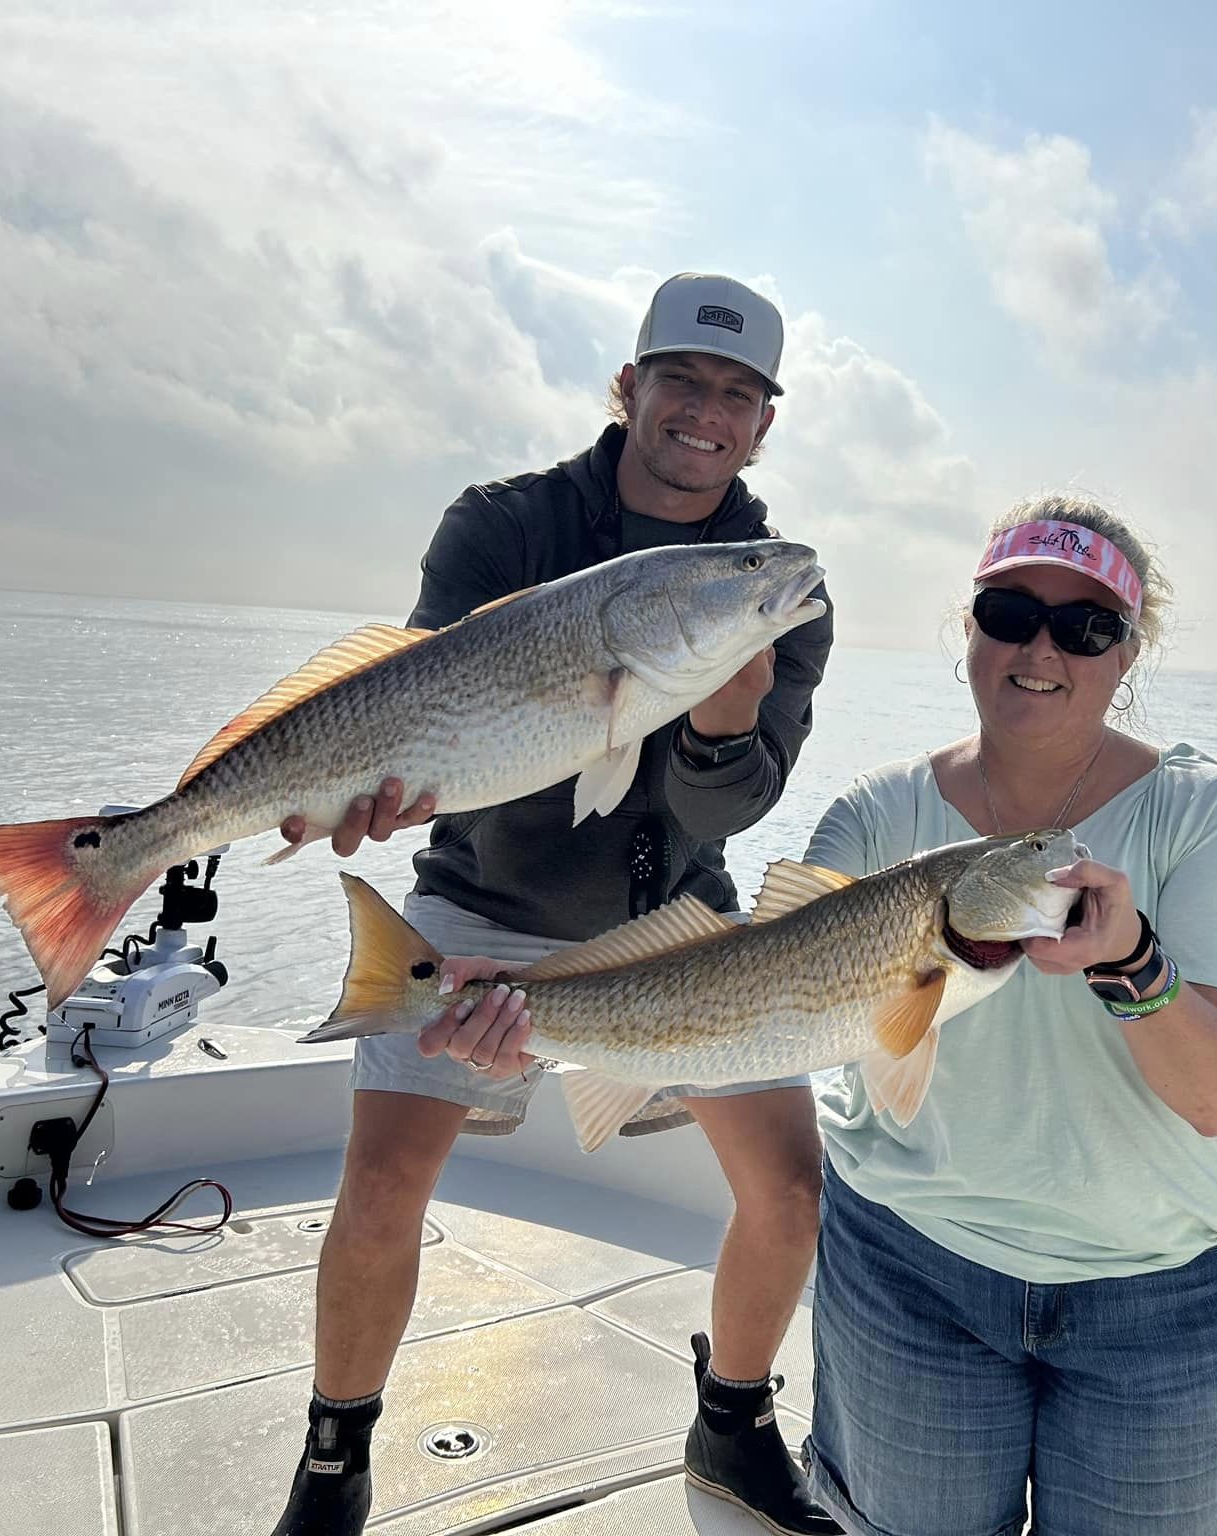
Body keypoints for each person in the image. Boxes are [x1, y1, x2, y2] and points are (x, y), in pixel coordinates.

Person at [269, 273, 842, 1536]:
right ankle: (332, 1463)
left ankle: (731, 1423)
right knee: (378, 1193)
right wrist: (381, 793)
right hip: (479, 900)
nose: (707, 412)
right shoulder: (504, 525)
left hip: (675, 919)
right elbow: (410, 710)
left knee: (793, 1189)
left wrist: (723, 719)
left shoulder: (773, 590)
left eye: (738, 396)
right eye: (682, 381)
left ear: (762, 425)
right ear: (627, 386)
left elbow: (723, 816)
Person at [796, 495, 1217, 1536]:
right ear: (969, 627)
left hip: (1162, 1295)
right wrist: (544, 1005)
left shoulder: (1202, 814)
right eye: (1010, 610)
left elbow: (1213, 1098)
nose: (1040, 647)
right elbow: (766, 997)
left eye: (1084, 627)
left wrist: (1129, 960)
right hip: (906, 1262)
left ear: (1126, 654)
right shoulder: (874, 815)